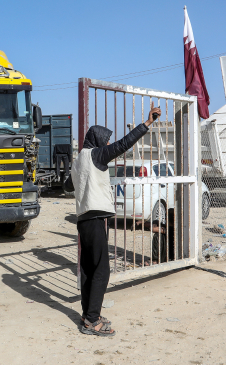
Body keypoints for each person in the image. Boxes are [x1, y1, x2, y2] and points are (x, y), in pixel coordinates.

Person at [64, 105, 161, 337]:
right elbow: (123, 144)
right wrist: (146, 124)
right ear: (97, 140)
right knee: (102, 271)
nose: (107, 145)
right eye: (105, 141)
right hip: (96, 219)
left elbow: (68, 186)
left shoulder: (78, 161)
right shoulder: (97, 154)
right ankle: (92, 321)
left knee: (87, 269)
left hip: (83, 221)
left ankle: (88, 314)